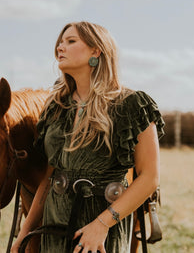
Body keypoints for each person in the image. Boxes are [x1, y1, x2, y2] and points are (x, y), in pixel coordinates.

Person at [11, 21, 164, 253]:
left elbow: (149, 177)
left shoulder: (133, 105)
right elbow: (49, 177)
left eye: (70, 41)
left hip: (103, 231)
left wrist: (102, 225)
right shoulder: (56, 107)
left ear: (96, 50)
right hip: (54, 228)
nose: (59, 48)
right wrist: (24, 233)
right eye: (60, 43)